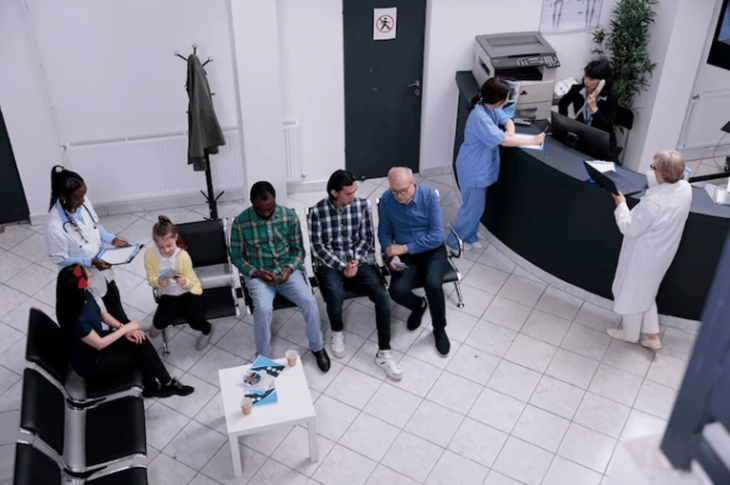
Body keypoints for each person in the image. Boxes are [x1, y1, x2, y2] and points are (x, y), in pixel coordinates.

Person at [310, 170, 403, 380]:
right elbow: (318, 247)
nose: (354, 197)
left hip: (357, 260)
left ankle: (384, 353)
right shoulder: (318, 212)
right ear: (335, 193)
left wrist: (355, 261)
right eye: (348, 194)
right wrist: (342, 266)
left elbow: (366, 238)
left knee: (382, 296)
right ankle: (337, 331)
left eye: (355, 192)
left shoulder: (361, 206)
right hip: (330, 264)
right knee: (335, 295)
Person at [230, 181, 330, 372]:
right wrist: (256, 272)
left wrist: (290, 268)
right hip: (259, 276)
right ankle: (264, 357)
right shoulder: (241, 223)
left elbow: (299, 250)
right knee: (263, 309)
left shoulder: (288, 216)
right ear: (252, 203)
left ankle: (317, 347)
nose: (267, 213)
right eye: (261, 209)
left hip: (286, 272)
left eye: (271, 208)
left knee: (309, 301)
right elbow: (236, 256)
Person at [56, 264, 194, 398]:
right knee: (140, 354)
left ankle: (163, 384)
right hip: (92, 362)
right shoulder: (77, 318)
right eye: (88, 276)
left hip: (97, 343)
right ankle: (159, 386)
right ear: (81, 285)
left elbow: (101, 314)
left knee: (139, 338)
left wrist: (123, 328)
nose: (91, 274)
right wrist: (127, 328)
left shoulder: (83, 294)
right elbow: (100, 344)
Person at [606, 150, 692, 350]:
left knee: (632, 293)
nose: (651, 171)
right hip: (662, 253)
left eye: (654, 168)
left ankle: (630, 334)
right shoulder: (685, 189)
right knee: (646, 292)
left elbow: (629, 228)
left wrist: (621, 205)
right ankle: (652, 337)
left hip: (642, 255)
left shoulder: (653, 203)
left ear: (662, 174)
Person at [447, 77, 545, 251]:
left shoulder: (490, 108)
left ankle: (469, 236)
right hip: (473, 169)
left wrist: (511, 134)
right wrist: (532, 141)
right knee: (472, 208)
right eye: (507, 97)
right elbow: (504, 142)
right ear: (500, 100)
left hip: (478, 167)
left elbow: (507, 121)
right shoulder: (480, 117)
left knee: (476, 207)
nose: (508, 100)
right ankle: (454, 241)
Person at [45, 165, 132, 324]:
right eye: (78, 198)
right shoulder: (54, 227)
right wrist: (89, 262)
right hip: (80, 274)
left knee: (112, 294)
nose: (83, 200)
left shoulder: (83, 203)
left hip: (99, 263)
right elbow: (59, 258)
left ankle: (124, 323)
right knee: (94, 306)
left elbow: (95, 225)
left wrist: (112, 239)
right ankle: (111, 331)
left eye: (84, 195)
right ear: (64, 198)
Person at [378, 167, 451, 356]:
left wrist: (402, 248)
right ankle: (418, 306)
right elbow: (384, 232)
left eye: (404, 190)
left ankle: (439, 329)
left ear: (413, 184)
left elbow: (437, 236)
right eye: (395, 191)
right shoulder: (387, 199)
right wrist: (393, 254)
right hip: (405, 257)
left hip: (433, 252)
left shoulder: (429, 197)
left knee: (433, 284)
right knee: (397, 290)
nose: (399, 196)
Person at [143, 215, 214, 350]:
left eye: (169, 245)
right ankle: (155, 325)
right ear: (155, 243)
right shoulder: (150, 256)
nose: (166, 251)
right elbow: (150, 279)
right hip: (168, 294)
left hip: (188, 293)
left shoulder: (183, 256)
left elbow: (193, 282)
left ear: (175, 238)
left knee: (196, 321)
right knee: (159, 323)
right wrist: (157, 282)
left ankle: (208, 331)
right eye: (161, 247)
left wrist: (184, 282)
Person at [558, 58, 619, 153]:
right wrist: (564, 126)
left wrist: (595, 109)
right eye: (586, 77)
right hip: (581, 140)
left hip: (602, 145)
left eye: (591, 79)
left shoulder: (611, 99)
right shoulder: (577, 90)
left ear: (602, 82)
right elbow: (562, 104)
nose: (586, 81)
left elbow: (607, 128)